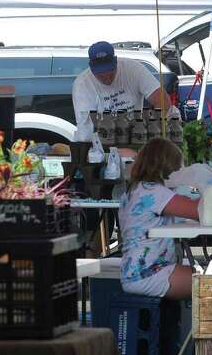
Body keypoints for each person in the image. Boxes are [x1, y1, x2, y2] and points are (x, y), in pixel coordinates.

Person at [117, 138, 200, 299]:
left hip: (139, 271)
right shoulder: (153, 192)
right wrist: (205, 182)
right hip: (149, 273)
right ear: (168, 167)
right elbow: (199, 210)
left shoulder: (137, 189)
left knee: (207, 275)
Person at [71, 41, 169, 135]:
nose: (107, 78)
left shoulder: (134, 69)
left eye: (110, 73)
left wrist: (152, 126)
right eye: (101, 75)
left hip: (135, 132)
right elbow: (86, 127)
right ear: (91, 68)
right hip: (103, 137)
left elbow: (162, 100)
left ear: (116, 61)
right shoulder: (82, 84)